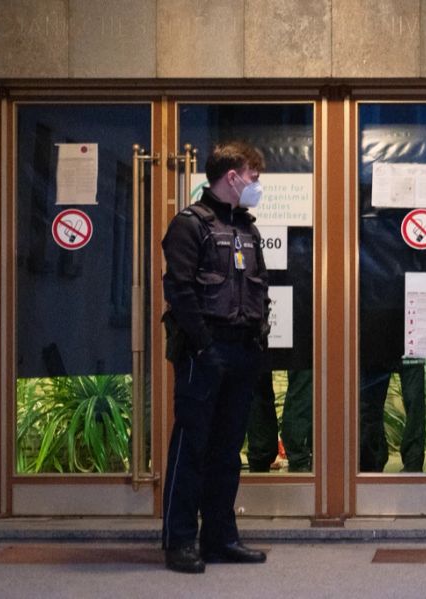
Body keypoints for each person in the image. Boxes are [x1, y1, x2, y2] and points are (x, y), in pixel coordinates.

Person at [160, 141, 270, 574]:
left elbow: (256, 287)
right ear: (232, 177)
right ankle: (180, 540)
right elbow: (179, 290)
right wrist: (204, 346)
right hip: (203, 351)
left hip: (243, 350)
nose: (256, 185)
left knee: (227, 451)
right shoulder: (190, 224)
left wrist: (256, 343)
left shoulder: (247, 227)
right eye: (253, 177)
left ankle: (220, 537)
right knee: (192, 448)